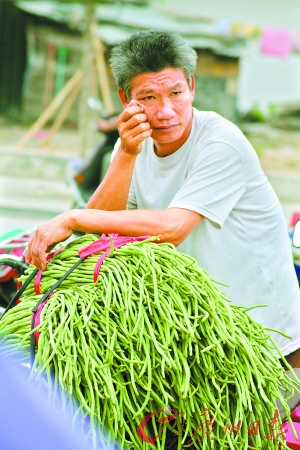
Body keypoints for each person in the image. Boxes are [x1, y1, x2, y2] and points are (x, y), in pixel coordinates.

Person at [26, 30, 300, 366]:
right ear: (126, 100)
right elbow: (100, 229)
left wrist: (69, 217)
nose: (166, 111)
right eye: (149, 97)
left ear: (192, 87)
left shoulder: (220, 142)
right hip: (199, 335)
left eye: (176, 92)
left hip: (264, 342)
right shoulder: (131, 145)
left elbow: (172, 227)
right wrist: (126, 152)